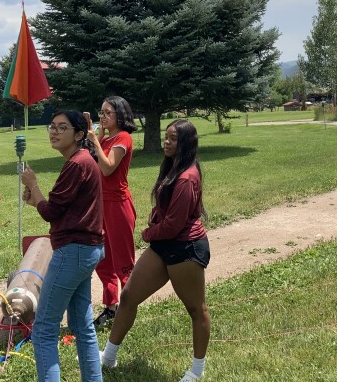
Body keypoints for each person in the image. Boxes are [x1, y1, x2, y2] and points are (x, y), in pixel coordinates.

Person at [100, 119, 210, 382]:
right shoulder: (174, 166)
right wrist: (156, 215)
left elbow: (174, 225)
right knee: (128, 297)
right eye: (166, 137)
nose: (166, 142)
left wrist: (148, 232)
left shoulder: (186, 177)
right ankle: (109, 357)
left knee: (196, 310)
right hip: (162, 247)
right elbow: (168, 210)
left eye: (173, 139)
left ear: (185, 143)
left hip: (185, 249)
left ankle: (197, 370)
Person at [21, 110, 105, 382]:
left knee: (43, 328)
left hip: (73, 251)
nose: (54, 132)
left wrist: (33, 185)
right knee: (82, 326)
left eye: (62, 127)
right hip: (87, 250)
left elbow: (50, 212)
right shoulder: (82, 161)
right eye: (52, 126)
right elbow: (54, 207)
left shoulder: (77, 164)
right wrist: (36, 198)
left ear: (79, 135)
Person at [84, 96, 137, 327]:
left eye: (108, 113)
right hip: (101, 206)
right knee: (102, 260)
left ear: (120, 115)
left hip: (118, 206)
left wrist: (96, 141)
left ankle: (129, 307)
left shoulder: (123, 138)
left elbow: (107, 168)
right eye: (101, 112)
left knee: (122, 261)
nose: (103, 117)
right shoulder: (105, 138)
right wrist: (92, 142)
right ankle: (111, 307)